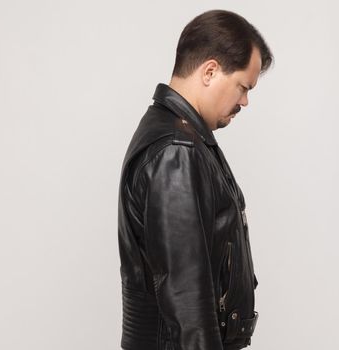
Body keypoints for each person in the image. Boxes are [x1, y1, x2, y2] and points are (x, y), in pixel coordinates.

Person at [117, 9, 273, 350]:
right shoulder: (177, 150)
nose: (245, 102)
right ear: (210, 71)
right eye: (243, 87)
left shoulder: (181, 137)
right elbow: (186, 295)